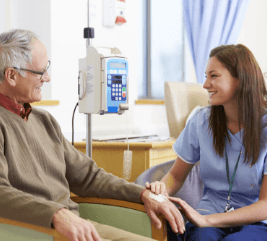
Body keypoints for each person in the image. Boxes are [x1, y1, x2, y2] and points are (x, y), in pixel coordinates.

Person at [0, 29, 185, 241]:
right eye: (40, 72)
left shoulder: (45, 121)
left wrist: (142, 194)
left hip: (77, 226)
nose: (47, 78)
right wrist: (55, 215)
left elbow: (89, 177)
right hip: (40, 230)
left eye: (47, 68)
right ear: (11, 75)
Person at [146, 44, 267, 240]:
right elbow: (175, 176)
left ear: (240, 79)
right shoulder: (201, 121)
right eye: (205, 76)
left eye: (214, 76)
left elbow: (265, 204)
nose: (205, 84)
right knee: (202, 237)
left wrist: (209, 221)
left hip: (256, 222)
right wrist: (161, 190)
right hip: (207, 213)